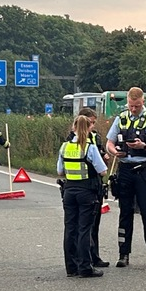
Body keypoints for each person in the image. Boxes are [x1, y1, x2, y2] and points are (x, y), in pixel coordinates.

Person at [105, 87, 146, 268]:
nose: (133, 109)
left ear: (143, 102)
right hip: (125, 169)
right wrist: (114, 151)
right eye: (131, 106)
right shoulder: (121, 118)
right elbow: (109, 142)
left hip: (144, 170)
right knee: (125, 213)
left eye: (137, 106)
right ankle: (123, 254)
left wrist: (144, 146)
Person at [58, 115, 109, 278]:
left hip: (69, 191)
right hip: (87, 192)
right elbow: (102, 171)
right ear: (88, 129)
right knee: (84, 230)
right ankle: (85, 267)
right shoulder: (90, 147)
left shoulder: (65, 147)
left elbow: (60, 171)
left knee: (70, 229)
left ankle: (71, 267)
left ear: (73, 128)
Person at [76, 107, 111, 268]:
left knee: (93, 225)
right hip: (86, 185)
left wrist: (105, 155)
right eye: (91, 123)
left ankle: (94, 256)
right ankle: (85, 259)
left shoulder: (95, 137)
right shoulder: (76, 139)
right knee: (84, 226)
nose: (93, 126)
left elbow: (102, 153)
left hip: (93, 185)